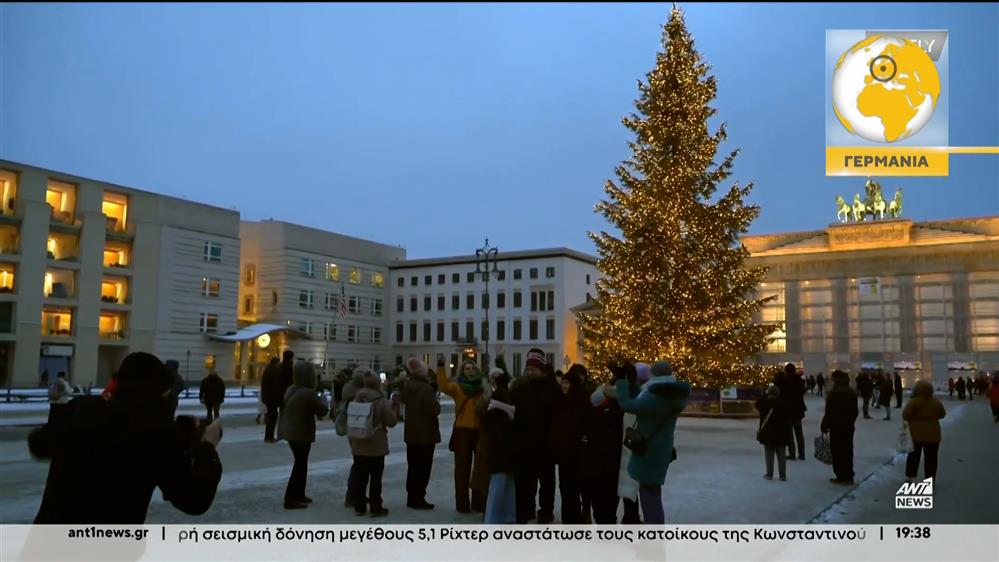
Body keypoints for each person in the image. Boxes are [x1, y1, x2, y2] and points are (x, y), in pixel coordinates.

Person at [29, 352, 222, 522]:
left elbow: (39, 444)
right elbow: (194, 500)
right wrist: (207, 447)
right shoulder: (157, 433)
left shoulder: (83, 409)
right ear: (160, 390)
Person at [611, 360, 690, 524]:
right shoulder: (667, 394)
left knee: (650, 500)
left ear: (654, 376)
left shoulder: (657, 397)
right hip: (660, 450)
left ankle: (654, 540)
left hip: (649, 452)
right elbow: (642, 401)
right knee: (653, 495)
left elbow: (628, 404)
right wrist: (632, 382)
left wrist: (621, 381)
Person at [509, 349, 561, 524]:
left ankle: (546, 513)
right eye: (528, 369)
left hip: (545, 445)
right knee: (524, 484)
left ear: (542, 369)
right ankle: (525, 513)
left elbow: (557, 416)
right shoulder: (520, 388)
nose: (530, 372)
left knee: (546, 484)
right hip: (523, 445)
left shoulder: (553, 388)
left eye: (534, 369)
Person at [437, 359, 489, 514]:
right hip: (462, 431)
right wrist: (441, 367)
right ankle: (462, 503)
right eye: (467, 369)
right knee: (462, 469)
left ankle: (478, 502)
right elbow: (443, 386)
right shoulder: (457, 387)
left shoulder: (482, 388)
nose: (470, 371)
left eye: (472, 368)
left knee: (479, 468)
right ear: (462, 371)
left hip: (480, 431)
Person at [278, 361, 329, 509]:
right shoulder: (307, 393)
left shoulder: (291, 390)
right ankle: (291, 497)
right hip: (301, 432)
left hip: (292, 430)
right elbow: (322, 411)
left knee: (301, 463)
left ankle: (299, 494)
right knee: (300, 465)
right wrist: (324, 399)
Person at [347, 369, 398, 517]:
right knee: (376, 478)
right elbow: (392, 422)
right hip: (376, 445)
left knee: (360, 477)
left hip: (358, 443)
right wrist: (393, 409)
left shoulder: (356, 399)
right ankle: (376, 506)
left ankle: (359, 506)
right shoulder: (382, 401)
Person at [550, 364, 591, 523]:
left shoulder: (580, 401)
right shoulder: (562, 400)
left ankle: (576, 519)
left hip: (576, 452)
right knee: (566, 488)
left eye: (567, 383)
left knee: (574, 487)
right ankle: (570, 519)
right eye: (563, 383)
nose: (564, 386)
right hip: (564, 452)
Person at [398, 358, 440, 510]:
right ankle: (419, 497)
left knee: (413, 466)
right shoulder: (425, 389)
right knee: (423, 467)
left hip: (411, 433)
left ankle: (412, 496)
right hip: (426, 434)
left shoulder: (407, 386)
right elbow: (435, 410)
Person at [585, 380, 626, 524]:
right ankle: (606, 522)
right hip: (606, 461)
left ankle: (605, 522)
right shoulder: (616, 411)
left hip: (604, 460)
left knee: (603, 496)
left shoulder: (609, 413)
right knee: (606, 496)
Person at [482, 368, 516, 524]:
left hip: (499, 459)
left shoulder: (495, 414)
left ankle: (499, 519)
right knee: (502, 489)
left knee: (502, 488)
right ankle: (499, 519)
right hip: (503, 458)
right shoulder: (503, 416)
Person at [902, 380, 945, 482]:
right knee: (931, 459)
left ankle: (910, 476)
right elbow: (942, 414)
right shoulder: (936, 402)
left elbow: (905, 415)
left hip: (916, 435)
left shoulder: (914, 402)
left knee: (913, 457)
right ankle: (930, 479)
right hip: (933, 435)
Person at [821, 370, 858, 485]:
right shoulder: (852, 392)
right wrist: (850, 421)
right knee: (847, 451)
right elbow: (855, 411)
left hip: (835, 427)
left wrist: (824, 425)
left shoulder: (833, 394)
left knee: (837, 452)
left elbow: (829, 412)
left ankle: (841, 475)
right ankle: (848, 475)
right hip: (848, 427)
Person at [755, 385, 792, 481]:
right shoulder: (784, 403)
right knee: (782, 455)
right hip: (782, 432)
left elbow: (757, 404)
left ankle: (769, 474)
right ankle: (782, 475)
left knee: (769, 455)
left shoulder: (764, 403)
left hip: (768, 432)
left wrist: (764, 394)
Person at [776, 363, 806, 461]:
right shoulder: (800, 381)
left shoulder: (784, 381)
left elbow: (778, 388)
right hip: (798, 409)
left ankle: (792, 453)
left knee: (789, 433)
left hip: (787, 410)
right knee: (799, 433)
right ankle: (802, 454)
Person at [260, 357, 283, 442]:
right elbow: (274, 386)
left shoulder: (268, 370)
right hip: (271, 399)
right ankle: (269, 437)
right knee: (272, 418)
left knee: (271, 417)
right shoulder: (272, 371)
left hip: (268, 398)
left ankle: (269, 436)